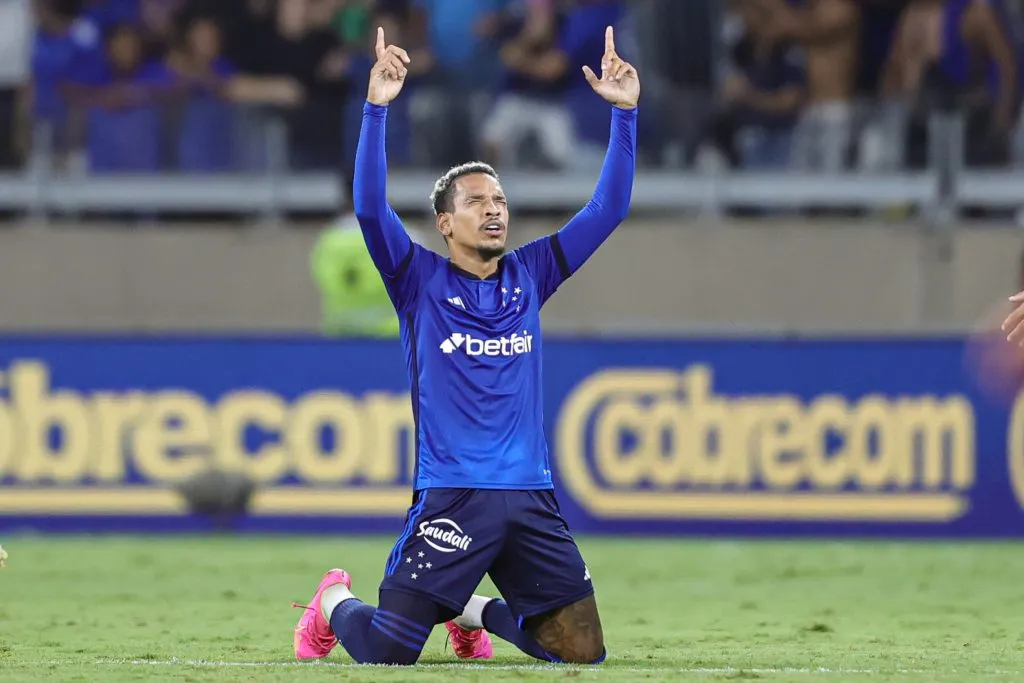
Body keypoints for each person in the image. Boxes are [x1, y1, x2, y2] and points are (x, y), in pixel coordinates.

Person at [291, 24, 638, 665]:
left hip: (529, 495)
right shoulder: (417, 278)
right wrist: (376, 107)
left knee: (580, 651)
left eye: (500, 199)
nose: (495, 209)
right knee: (389, 653)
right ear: (446, 223)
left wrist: (625, 115)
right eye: (477, 201)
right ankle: (332, 604)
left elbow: (608, 209)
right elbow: (370, 208)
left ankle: (471, 608)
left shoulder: (532, 273)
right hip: (451, 493)